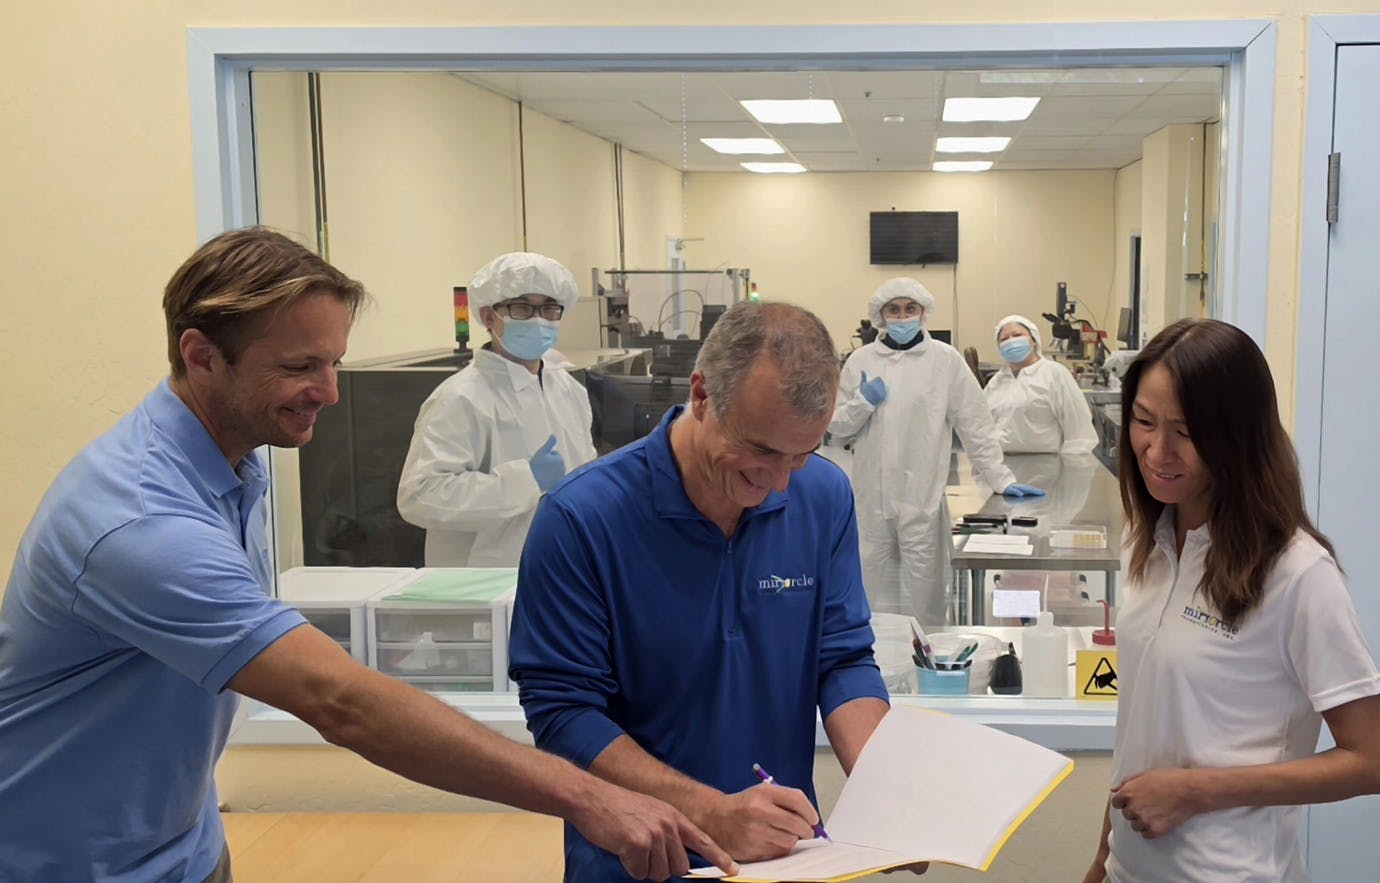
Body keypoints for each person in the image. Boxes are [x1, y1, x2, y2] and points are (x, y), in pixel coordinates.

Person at [0, 228, 735, 883]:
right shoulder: (139, 522)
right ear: (202, 356)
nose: (329, 392)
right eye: (301, 366)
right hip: (70, 862)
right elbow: (343, 702)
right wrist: (591, 793)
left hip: (182, 843)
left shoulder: (233, 460)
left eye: (334, 362)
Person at [508, 302, 915, 882]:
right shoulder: (583, 518)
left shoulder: (822, 497)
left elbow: (842, 658)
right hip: (634, 863)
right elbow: (563, 711)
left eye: (803, 453)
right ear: (702, 396)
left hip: (783, 860)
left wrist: (889, 795)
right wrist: (707, 811)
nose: (778, 482)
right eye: (761, 450)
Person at [1083, 319, 1380, 883]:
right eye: (1143, 422)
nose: (1156, 450)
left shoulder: (1297, 574)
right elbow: (1142, 732)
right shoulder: (1147, 541)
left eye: (1186, 432)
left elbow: (1371, 759)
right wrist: (1102, 861)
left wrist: (1197, 792)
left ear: (1238, 436)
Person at [828, 279, 1043, 625]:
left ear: (923, 313)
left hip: (922, 501)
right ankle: (872, 666)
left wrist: (1001, 478)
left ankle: (926, 668)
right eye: (894, 310)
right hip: (871, 502)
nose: (902, 317)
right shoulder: (861, 361)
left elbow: (976, 424)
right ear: (880, 316)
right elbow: (837, 427)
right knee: (867, 597)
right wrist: (862, 403)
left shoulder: (944, 361)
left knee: (926, 599)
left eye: (910, 309)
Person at [397, 251, 598, 566]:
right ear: (489, 317)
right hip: (483, 586)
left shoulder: (569, 390)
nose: (537, 319)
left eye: (548, 308)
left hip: (561, 569)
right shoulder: (460, 398)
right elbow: (420, 497)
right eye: (521, 308)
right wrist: (524, 481)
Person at [984, 314, 1098, 454]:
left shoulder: (1054, 375)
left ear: (1034, 341)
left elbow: (1079, 433)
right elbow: (984, 428)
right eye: (1004, 339)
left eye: (1017, 335)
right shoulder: (996, 382)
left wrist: (1073, 470)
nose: (1011, 341)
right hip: (1003, 466)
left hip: (1047, 467)